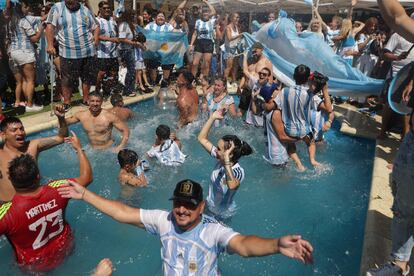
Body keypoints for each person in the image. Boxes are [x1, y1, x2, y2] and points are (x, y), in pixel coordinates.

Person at [58, 178, 314, 275]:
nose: (181, 209)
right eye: (178, 203)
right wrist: (86, 196)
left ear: (201, 206)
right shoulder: (164, 220)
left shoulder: (213, 231)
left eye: (189, 205)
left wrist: (275, 245)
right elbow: (123, 213)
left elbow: (244, 245)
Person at [0, 131, 92, 273]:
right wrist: (79, 149)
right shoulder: (57, 189)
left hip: (36, 266)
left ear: (11, 180)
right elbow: (87, 177)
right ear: (38, 176)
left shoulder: (7, 213)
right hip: (66, 249)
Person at [0, 106, 69, 202]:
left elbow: (61, 138)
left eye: (22, 129)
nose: (20, 132)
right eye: (14, 130)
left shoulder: (33, 146)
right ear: (3, 135)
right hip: (9, 208)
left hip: (35, 204)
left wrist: (61, 118)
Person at [198, 110, 252, 219]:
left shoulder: (238, 172)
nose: (216, 151)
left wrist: (226, 159)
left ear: (229, 155)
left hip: (221, 215)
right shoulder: (220, 158)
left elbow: (232, 186)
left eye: (219, 149)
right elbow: (201, 138)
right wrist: (212, 118)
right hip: (209, 206)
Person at [275, 65, 333, 167]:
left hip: (289, 130)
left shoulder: (284, 91)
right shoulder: (310, 95)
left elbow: (275, 105)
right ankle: (312, 160)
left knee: (290, 145)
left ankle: (299, 164)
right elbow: (329, 109)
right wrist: (325, 90)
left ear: (293, 77)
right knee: (311, 143)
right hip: (305, 131)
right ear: (307, 79)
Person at [46, 0, 100, 110]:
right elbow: (50, 26)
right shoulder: (57, 8)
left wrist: (96, 38)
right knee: (67, 78)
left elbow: (96, 26)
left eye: (72, 1)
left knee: (87, 77)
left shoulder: (85, 10)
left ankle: (85, 99)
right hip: (67, 51)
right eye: (68, 1)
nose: (70, 3)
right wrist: (50, 45)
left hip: (87, 50)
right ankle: (67, 102)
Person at [378, 23, 414, 140]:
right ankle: (382, 131)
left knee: (407, 107)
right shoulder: (398, 35)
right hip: (396, 76)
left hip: (411, 77)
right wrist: (397, 57)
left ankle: (405, 136)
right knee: (389, 104)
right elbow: (384, 54)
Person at [8, 0, 45, 112]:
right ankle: (29, 105)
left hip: (14, 52)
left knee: (24, 79)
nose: (27, 8)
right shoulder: (23, 21)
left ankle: (26, 104)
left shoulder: (11, 22)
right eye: (25, 7)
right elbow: (34, 39)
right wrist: (41, 29)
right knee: (30, 80)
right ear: (21, 9)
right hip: (25, 52)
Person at [65, 92, 129, 152]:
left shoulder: (109, 116)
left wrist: (121, 146)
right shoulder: (81, 115)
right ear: (88, 101)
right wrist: (60, 117)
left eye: (97, 101)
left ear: (101, 102)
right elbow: (66, 122)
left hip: (108, 150)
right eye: (92, 101)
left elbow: (125, 130)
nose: (95, 104)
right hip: (92, 150)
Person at [238, 42, 273, 116]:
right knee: (240, 113)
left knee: (255, 114)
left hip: (258, 92)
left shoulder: (267, 62)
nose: (254, 53)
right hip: (247, 90)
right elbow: (245, 74)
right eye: (252, 52)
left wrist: (264, 93)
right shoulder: (250, 60)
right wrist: (240, 86)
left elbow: (270, 80)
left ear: (261, 50)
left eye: (255, 51)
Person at [241, 50, 272, 127]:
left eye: (264, 74)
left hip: (260, 124)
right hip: (249, 121)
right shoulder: (256, 81)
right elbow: (245, 71)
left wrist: (255, 98)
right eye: (260, 73)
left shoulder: (269, 89)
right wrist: (245, 56)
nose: (261, 75)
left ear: (268, 77)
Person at [145, 11, 175, 87]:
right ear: (156, 18)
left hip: (165, 50)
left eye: (162, 16)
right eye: (159, 16)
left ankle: (165, 82)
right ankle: (154, 82)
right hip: (153, 50)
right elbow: (144, 34)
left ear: (165, 18)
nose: (161, 17)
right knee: (153, 67)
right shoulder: (150, 26)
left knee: (166, 66)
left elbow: (173, 36)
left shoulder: (169, 26)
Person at [118, 9, 144, 97]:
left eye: (135, 15)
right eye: (132, 15)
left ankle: (130, 89)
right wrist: (134, 43)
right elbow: (121, 38)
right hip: (125, 50)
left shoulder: (131, 25)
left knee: (132, 70)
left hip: (130, 49)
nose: (134, 16)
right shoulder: (124, 25)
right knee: (131, 70)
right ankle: (127, 90)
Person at [96, 1, 119, 98]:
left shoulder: (113, 20)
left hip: (113, 53)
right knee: (101, 74)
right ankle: (97, 90)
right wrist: (111, 39)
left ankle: (107, 90)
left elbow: (116, 34)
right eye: (104, 8)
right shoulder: (97, 21)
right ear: (100, 9)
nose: (107, 10)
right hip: (101, 53)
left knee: (113, 74)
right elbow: (96, 36)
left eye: (108, 8)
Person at [189, 0, 217, 81]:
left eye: (207, 12)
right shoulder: (198, 21)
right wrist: (191, 45)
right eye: (204, 12)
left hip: (208, 43)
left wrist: (206, 2)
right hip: (199, 43)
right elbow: (195, 33)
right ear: (201, 14)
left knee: (206, 63)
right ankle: (192, 80)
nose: (205, 13)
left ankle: (204, 80)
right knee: (195, 63)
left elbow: (214, 11)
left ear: (209, 14)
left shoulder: (211, 21)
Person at [223, 13, 242, 86]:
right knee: (229, 67)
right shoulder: (228, 27)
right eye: (236, 17)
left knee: (235, 66)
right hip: (229, 49)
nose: (237, 19)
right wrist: (240, 35)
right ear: (231, 18)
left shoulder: (236, 27)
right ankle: (224, 83)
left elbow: (238, 38)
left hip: (235, 49)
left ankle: (234, 81)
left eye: (238, 17)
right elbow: (230, 38)